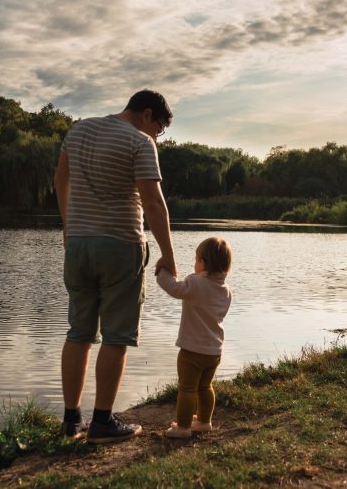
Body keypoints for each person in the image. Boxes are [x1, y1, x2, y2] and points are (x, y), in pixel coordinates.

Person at [53, 89, 176, 444]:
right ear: (147, 115)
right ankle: (103, 422)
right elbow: (153, 203)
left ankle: (71, 420)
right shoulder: (139, 141)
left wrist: (69, 226)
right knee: (117, 336)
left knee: (79, 332)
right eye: (160, 129)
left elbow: (61, 180)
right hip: (120, 245)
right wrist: (168, 255)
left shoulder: (77, 131)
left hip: (78, 244)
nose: (158, 137)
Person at [154, 236, 233, 439]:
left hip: (192, 350)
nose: (194, 263)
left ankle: (182, 427)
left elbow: (174, 288)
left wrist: (162, 273)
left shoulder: (195, 282)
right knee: (205, 387)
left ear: (204, 263)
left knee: (187, 389)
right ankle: (204, 422)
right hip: (214, 351)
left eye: (196, 259)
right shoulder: (226, 291)